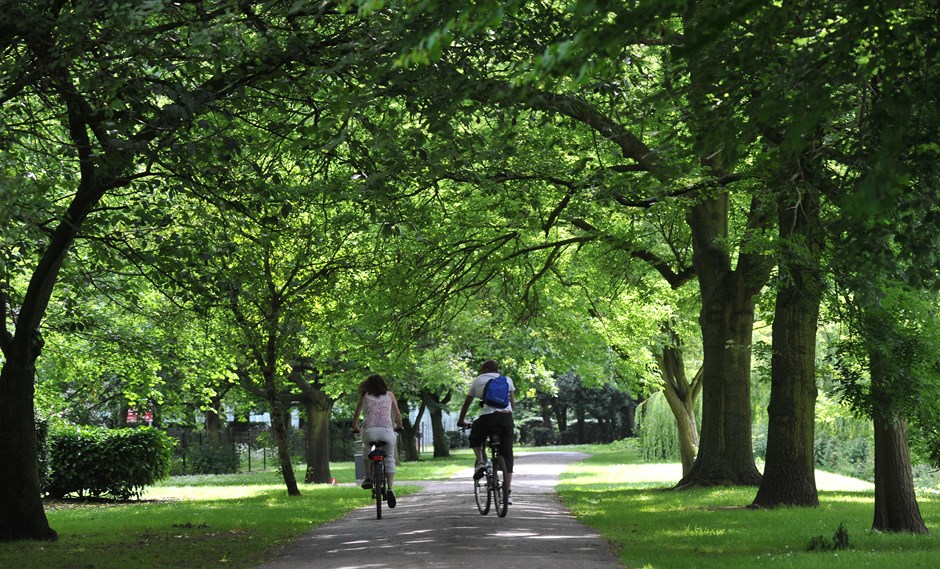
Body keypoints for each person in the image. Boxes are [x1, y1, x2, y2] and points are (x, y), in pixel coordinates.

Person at [457, 359, 516, 504]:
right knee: (507, 454)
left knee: (475, 438)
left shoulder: (478, 380)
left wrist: (461, 420)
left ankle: (482, 461)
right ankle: (507, 492)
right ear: (497, 370)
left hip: (487, 418)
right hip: (505, 419)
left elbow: (467, 402)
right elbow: (513, 404)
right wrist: (506, 413)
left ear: (485, 369)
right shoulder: (507, 380)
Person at [352, 373, 404, 508]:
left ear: (368, 384)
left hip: (369, 431)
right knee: (389, 458)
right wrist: (399, 425)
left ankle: (368, 477)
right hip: (386, 431)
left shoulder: (365, 395)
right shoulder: (390, 395)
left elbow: (357, 413)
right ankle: (390, 488)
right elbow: (397, 413)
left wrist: (355, 426)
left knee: (366, 449)